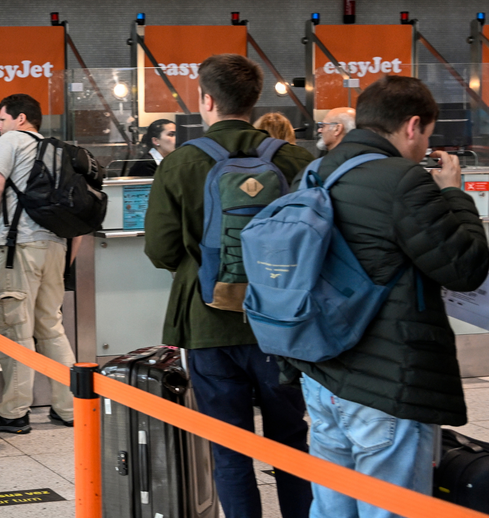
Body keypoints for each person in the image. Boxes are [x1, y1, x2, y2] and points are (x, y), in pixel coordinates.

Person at [283, 76, 489, 518]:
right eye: (428, 134)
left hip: (322, 373)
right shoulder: (403, 180)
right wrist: (454, 192)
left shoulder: (315, 173)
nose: (425, 145)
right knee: (390, 510)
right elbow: (465, 267)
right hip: (386, 382)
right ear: (412, 126)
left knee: (332, 507)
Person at [144, 55, 314, 518]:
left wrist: (200, 266)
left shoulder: (180, 163)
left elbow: (160, 249)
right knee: (291, 441)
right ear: (253, 99)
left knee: (229, 447)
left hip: (208, 323)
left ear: (206, 99)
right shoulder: (296, 159)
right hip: (282, 326)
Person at [0, 94, 77, 434]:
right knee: (50, 327)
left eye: (1, 119)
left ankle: (13, 412)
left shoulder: (11, 141)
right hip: (56, 246)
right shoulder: (58, 151)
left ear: (20, 119)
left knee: (15, 328)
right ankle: (70, 408)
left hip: (17, 247)